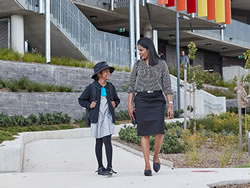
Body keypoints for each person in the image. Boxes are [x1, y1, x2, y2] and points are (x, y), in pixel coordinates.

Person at [128, 37, 174, 176]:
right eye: (138, 50)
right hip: (141, 100)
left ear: (149, 49)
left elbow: (167, 85)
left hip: (157, 99)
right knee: (144, 133)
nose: (139, 53)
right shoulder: (137, 65)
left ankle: (155, 156)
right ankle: (147, 165)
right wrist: (130, 104)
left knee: (159, 132)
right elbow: (131, 86)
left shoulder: (161, 64)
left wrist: (170, 105)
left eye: (141, 50)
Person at [78, 61, 120, 176]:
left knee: (107, 140)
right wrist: (89, 105)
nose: (108, 73)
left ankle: (109, 166)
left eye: (108, 71)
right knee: (99, 141)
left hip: (108, 117)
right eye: (106, 71)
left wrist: (114, 104)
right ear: (99, 74)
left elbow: (117, 100)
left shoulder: (111, 87)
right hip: (96, 118)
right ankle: (100, 167)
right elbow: (81, 100)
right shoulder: (91, 87)